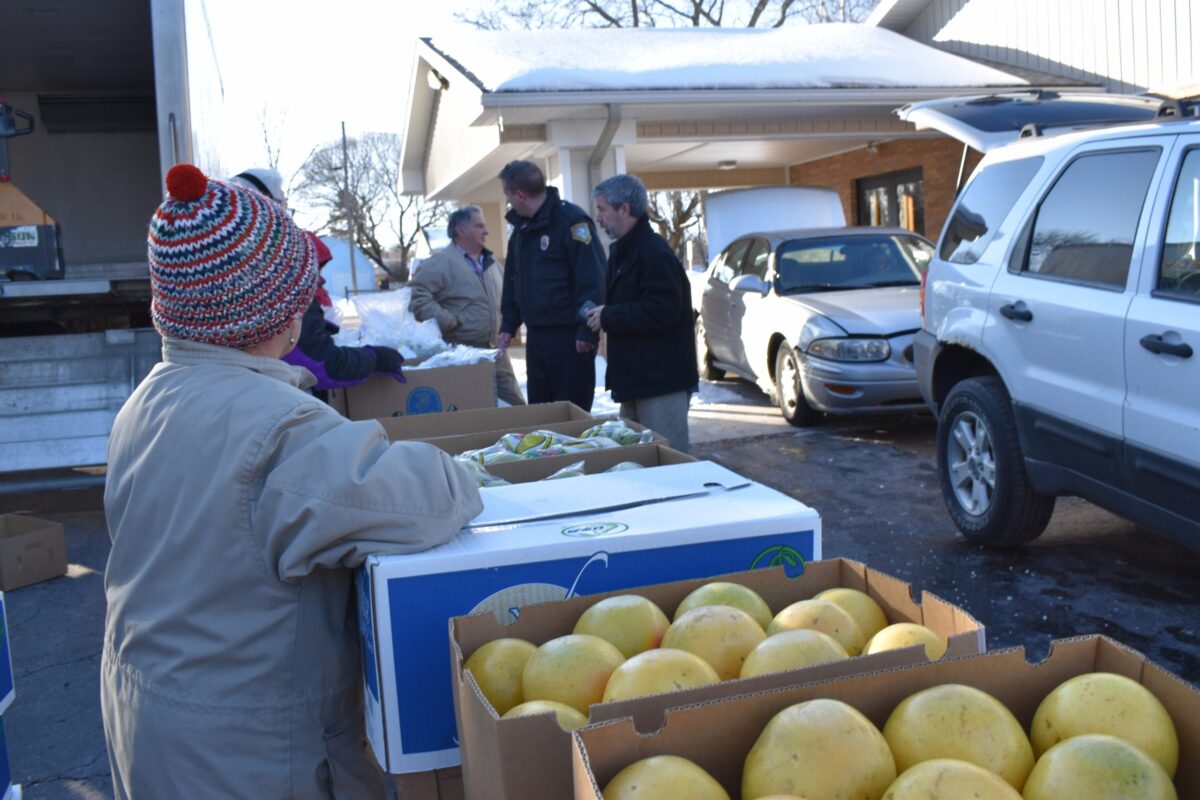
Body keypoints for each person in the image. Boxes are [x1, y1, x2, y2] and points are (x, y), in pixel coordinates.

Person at [101, 163, 483, 799]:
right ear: (273, 313)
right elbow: (433, 498)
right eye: (302, 295)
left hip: (153, 717)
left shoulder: (148, 400)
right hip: (248, 752)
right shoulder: (277, 429)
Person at [587, 174, 698, 452]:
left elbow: (663, 310)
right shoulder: (623, 253)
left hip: (660, 385)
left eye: (602, 209)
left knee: (667, 461)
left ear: (624, 209)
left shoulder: (654, 253)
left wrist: (608, 316)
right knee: (638, 461)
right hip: (636, 381)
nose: (598, 217)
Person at [496, 160, 606, 410]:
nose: (508, 202)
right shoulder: (521, 232)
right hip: (537, 338)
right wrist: (509, 325)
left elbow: (592, 280)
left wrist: (586, 330)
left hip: (570, 339)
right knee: (541, 414)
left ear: (520, 195)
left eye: (508, 196)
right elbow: (513, 281)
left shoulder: (572, 222)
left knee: (570, 413)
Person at [408, 206, 526, 406]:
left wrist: (508, 327)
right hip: (462, 354)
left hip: (496, 351)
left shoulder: (491, 263)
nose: (486, 231)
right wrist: (445, 320)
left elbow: (508, 297)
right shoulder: (441, 262)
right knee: (471, 407)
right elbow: (415, 295)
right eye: (479, 226)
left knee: (515, 406)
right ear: (460, 230)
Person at [283, 232, 407, 401]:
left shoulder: (288, 298)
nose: (321, 278)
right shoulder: (292, 298)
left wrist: (325, 328)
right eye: (316, 269)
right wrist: (377, 358)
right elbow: (324, 366)